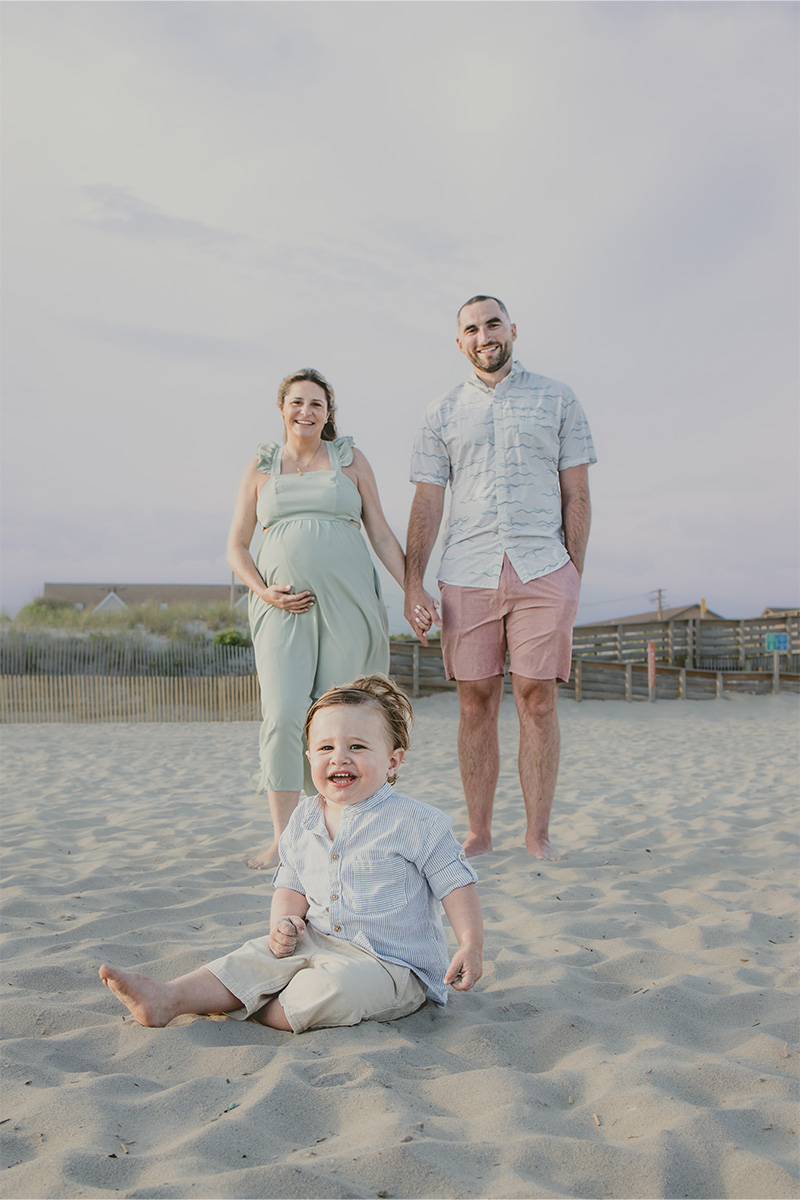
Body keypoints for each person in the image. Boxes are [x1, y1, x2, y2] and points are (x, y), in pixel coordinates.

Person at [99, 675, 483, 1033]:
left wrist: (469, 944)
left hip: (392, 966)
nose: (339, 758)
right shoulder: (304, 818)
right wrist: (283, 924)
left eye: (358, 747)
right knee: (251, 958)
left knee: (337, 987)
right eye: (326, 748)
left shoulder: (416, 822)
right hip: (314, 940)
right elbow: (291, 883)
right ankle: (170, 996)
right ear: (310, 757)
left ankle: (265, 1009)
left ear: (393, 761)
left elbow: (455, 884)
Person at [404, 295, 596, 862]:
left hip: (544, 567)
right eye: (472, 328)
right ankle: (480, 832)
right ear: (459, 342)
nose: (484, 335)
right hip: (467, 570)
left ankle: (538, 835)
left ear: (512, 329)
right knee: (475, 703)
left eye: (493, 323)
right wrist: (414, 584)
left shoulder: (558, 398)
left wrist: (572, 578)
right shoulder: (440, 412)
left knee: (538, 702)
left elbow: (577, 493)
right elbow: (427, 502)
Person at [227, 368, 406, 870]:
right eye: (297, 402)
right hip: (281, 605)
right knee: (284, 714)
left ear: (329, 414)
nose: (306, 411)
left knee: (344, 719)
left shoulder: (349, 459)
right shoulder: (261, 467)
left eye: (317, 405)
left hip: (348, 601)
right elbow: (236, 546)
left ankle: (343, 832)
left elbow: (383, 535)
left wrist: (414, 589)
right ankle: (285, 841)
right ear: (282, 407)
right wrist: (263, 591)